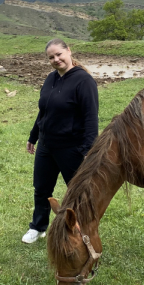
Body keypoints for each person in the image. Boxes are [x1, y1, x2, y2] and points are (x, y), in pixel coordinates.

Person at [23, 38, 99, 243]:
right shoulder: (50, 79)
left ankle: (82, 230)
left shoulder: (84, 81)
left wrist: (88, 150)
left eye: (59, 54)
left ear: (69, 52)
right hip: (47, 146)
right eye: (51, 57)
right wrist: (34, 136)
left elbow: (91, 118)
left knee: (77, 193)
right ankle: (38, 227)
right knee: (41, 189)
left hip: (71, 148)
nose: (56, 60)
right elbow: (44, 112)